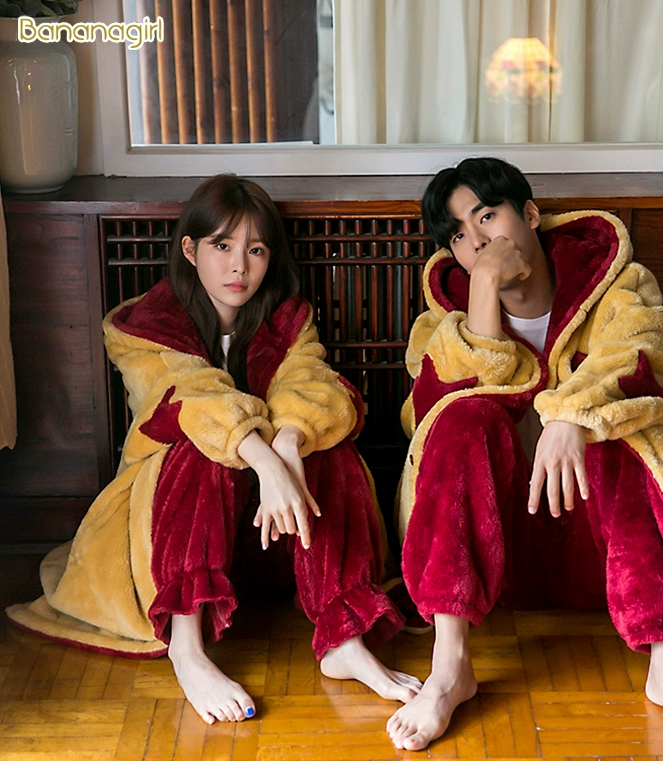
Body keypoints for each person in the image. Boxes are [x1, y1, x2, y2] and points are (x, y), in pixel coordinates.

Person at [7, 175, 421, 724]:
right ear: (190, 249)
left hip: (272, 534)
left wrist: (289, 444)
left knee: (326, 447)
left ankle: (344, 639)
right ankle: (187, 647)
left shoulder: (286, 319)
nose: (238, 267)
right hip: (170, 538)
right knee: (202, 448)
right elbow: (193, 399)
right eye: (222, 245)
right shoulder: (149, 324)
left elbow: (314, 385)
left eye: (256, 250)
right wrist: (265, 459)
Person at [387, 157, 663, 757]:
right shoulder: (445, 317)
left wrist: (571, 416)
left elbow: (645, 356)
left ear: (531, 214)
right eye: (457, 235)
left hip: (604, 549)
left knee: (624, 432)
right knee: (460, 420)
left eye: (487, 216)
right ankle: (450, 665)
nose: (476, 241)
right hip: (500, 555)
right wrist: (483, 291)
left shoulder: (614, 283)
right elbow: (425, 415)